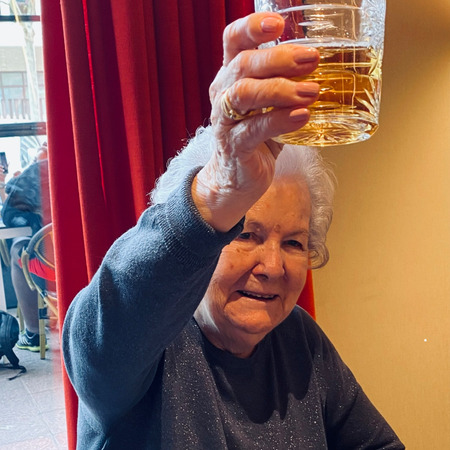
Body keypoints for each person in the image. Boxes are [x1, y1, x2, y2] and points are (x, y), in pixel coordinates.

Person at [63, 12, 405, 449]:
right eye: (245, 234)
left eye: (294, 242)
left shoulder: (297, 338)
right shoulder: (148, 349)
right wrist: (218, 189)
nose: (273, 266)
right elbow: (99, 338)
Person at [2, 144, 51, 352]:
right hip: (85, 259)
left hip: (50, 266)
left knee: (18, 251)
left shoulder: (40, 170)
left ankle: (33, 333)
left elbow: (9, 210)